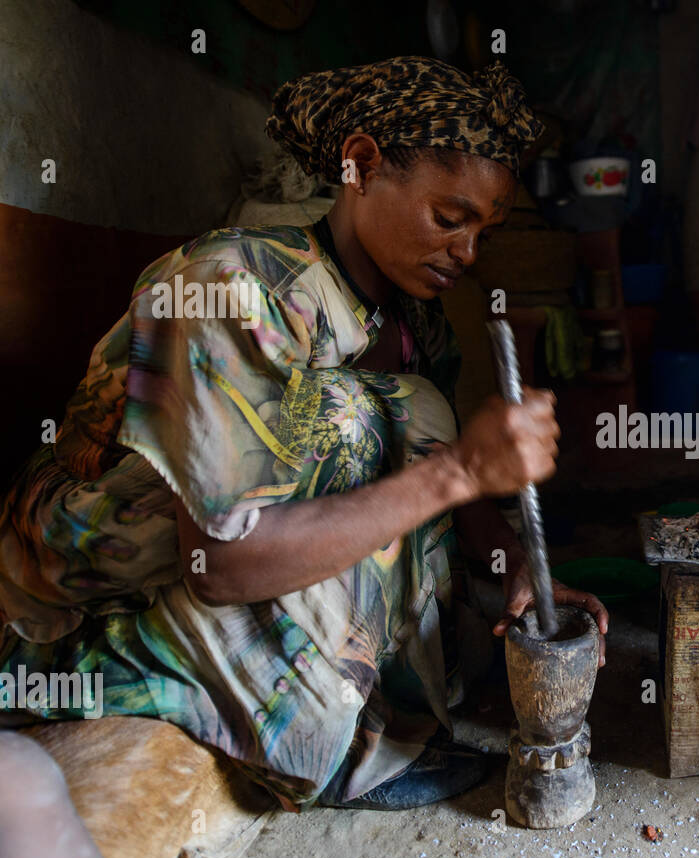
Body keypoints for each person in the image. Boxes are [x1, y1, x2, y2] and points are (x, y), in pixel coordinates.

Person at [0, 56, 609, 817]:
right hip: (86, 565)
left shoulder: (417, 320)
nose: (468, 252)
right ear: (359, 165)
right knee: (354, 420)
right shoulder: (232, 285)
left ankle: (370, 708)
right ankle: (307, 735)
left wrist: (516, 565)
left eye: (485, 230)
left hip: (225, 542)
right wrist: (457, 470)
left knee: (408, 420)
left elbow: (456, 503)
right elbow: (217, 563)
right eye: (449, 219)